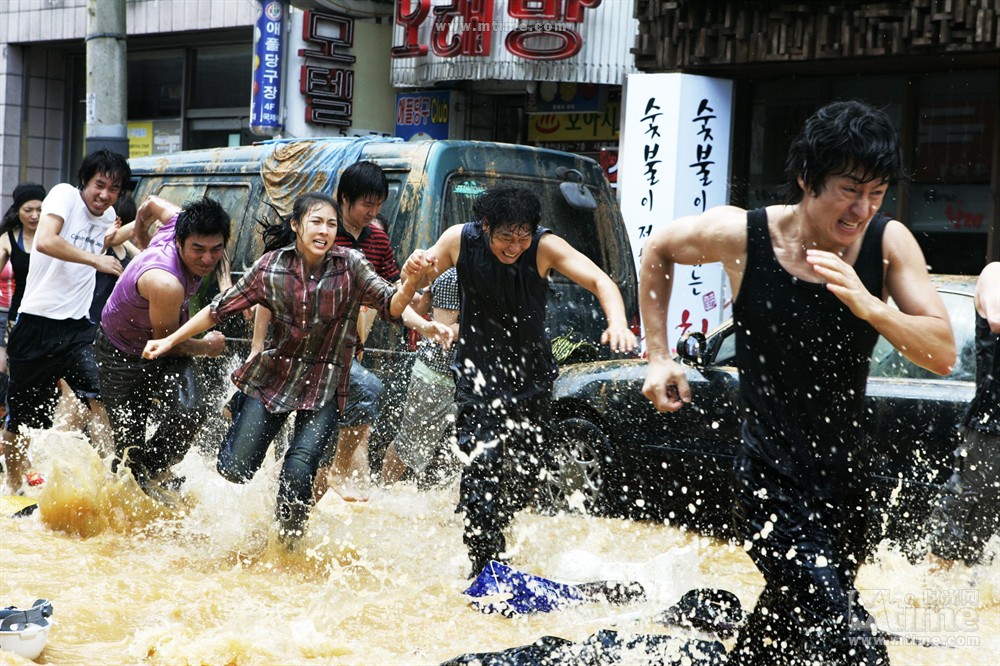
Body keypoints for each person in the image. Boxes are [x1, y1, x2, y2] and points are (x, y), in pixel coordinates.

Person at [639, 100, 956, 664]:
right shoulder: (743, 236)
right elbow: (659, 250)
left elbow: (942, 353)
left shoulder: (888, 244)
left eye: (877, 193)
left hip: (847, 482)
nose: (862, 208)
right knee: (848, 638)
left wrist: (871, 307)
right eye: (849, 189)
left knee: (788, 630)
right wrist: (658, 355)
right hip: (768, 476)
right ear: (807, 178)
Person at [142, 192, 441, 545]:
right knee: (235, 470)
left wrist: (409, 285)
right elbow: (217, 309)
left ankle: (288, 546)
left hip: (326, 385)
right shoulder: (271, 266)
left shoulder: (352, 265)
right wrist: (169, 340)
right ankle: (241, 407)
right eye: (316, 221)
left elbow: (391, 306)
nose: (325, 230)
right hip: (274, 378)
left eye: (331, 224)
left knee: (299, 469)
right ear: (297, 226)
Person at [404, 184, 637, 576]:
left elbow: (601, 281)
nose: (514, 247)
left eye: (522, 236)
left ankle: (501, 535)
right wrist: (414, 278)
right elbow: (416, 279)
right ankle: (483, 565)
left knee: (524, 470)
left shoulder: (544, 246)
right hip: (477, 374)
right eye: (505, 237)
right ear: (485, 226)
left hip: (531, 378)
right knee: (482, 467)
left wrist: (617, 323)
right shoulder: (459, 240)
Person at [1, 149, 131, 492]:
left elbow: (112, 239)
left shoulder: (109, 216)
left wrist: (145, 221)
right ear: (84, 182)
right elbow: (45, 241)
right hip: (35, 324)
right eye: (99, 185)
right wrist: (96, 261)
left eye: (113, 189)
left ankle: (111, 479)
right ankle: (13, 487)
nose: (104, 195)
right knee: (22, 419)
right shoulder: (64, 196)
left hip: (78, 328)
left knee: (100, 397)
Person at [96, 195, 230, 492]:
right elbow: (166, 344)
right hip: (121, 352)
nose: (207, 259)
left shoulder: (177, 220)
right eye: (198, 249)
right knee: (128, 447)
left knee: (192, 410)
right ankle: (133, 483)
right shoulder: (166, 281)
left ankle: (153, 471)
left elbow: (151, 202)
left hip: (165, 334)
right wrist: (207, 347)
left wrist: (140, 232)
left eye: (215, 249)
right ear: (180, 242)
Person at [930, 261, 1000, 567]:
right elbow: (997, 318)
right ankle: (928, 597)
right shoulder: (995, 273)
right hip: (992, 426)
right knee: (962, 509)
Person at [379, 267, 460, 487]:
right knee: (409, 443)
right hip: (437, 374)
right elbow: (444, 333)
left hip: (465, 376)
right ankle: (383, 493)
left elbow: (423, 304)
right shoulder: (453, 278)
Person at [0, 182, 46, 419]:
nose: (35, 215)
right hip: (19, 314)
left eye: (40, 209)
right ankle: (12, 418)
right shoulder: (8, 239)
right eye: (28, 209)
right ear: (17, 210)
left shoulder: (52, 237)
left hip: (51, 313)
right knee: (14, 369)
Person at [90, 192, 140, 324]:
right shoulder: (99, 244)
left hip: (116, 320)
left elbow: (143, 258)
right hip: (93, 318)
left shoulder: (126, 247)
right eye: (118, 222)